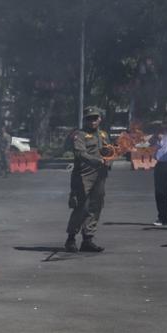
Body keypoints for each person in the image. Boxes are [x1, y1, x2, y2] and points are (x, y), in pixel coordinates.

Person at [64, 106, 113, 253]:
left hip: (100, 176)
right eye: (89, 119)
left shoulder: (103, 135)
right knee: (81, 207)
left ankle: (88, 239)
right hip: (83, 176)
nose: (92, 121)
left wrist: (109, 159)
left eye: (95, 118)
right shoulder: (79, 135)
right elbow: (80, 154)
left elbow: (109, 151)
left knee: (95, 207)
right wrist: (97, 161)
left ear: (100, 119)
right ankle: (71, 239)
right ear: (84, 120)